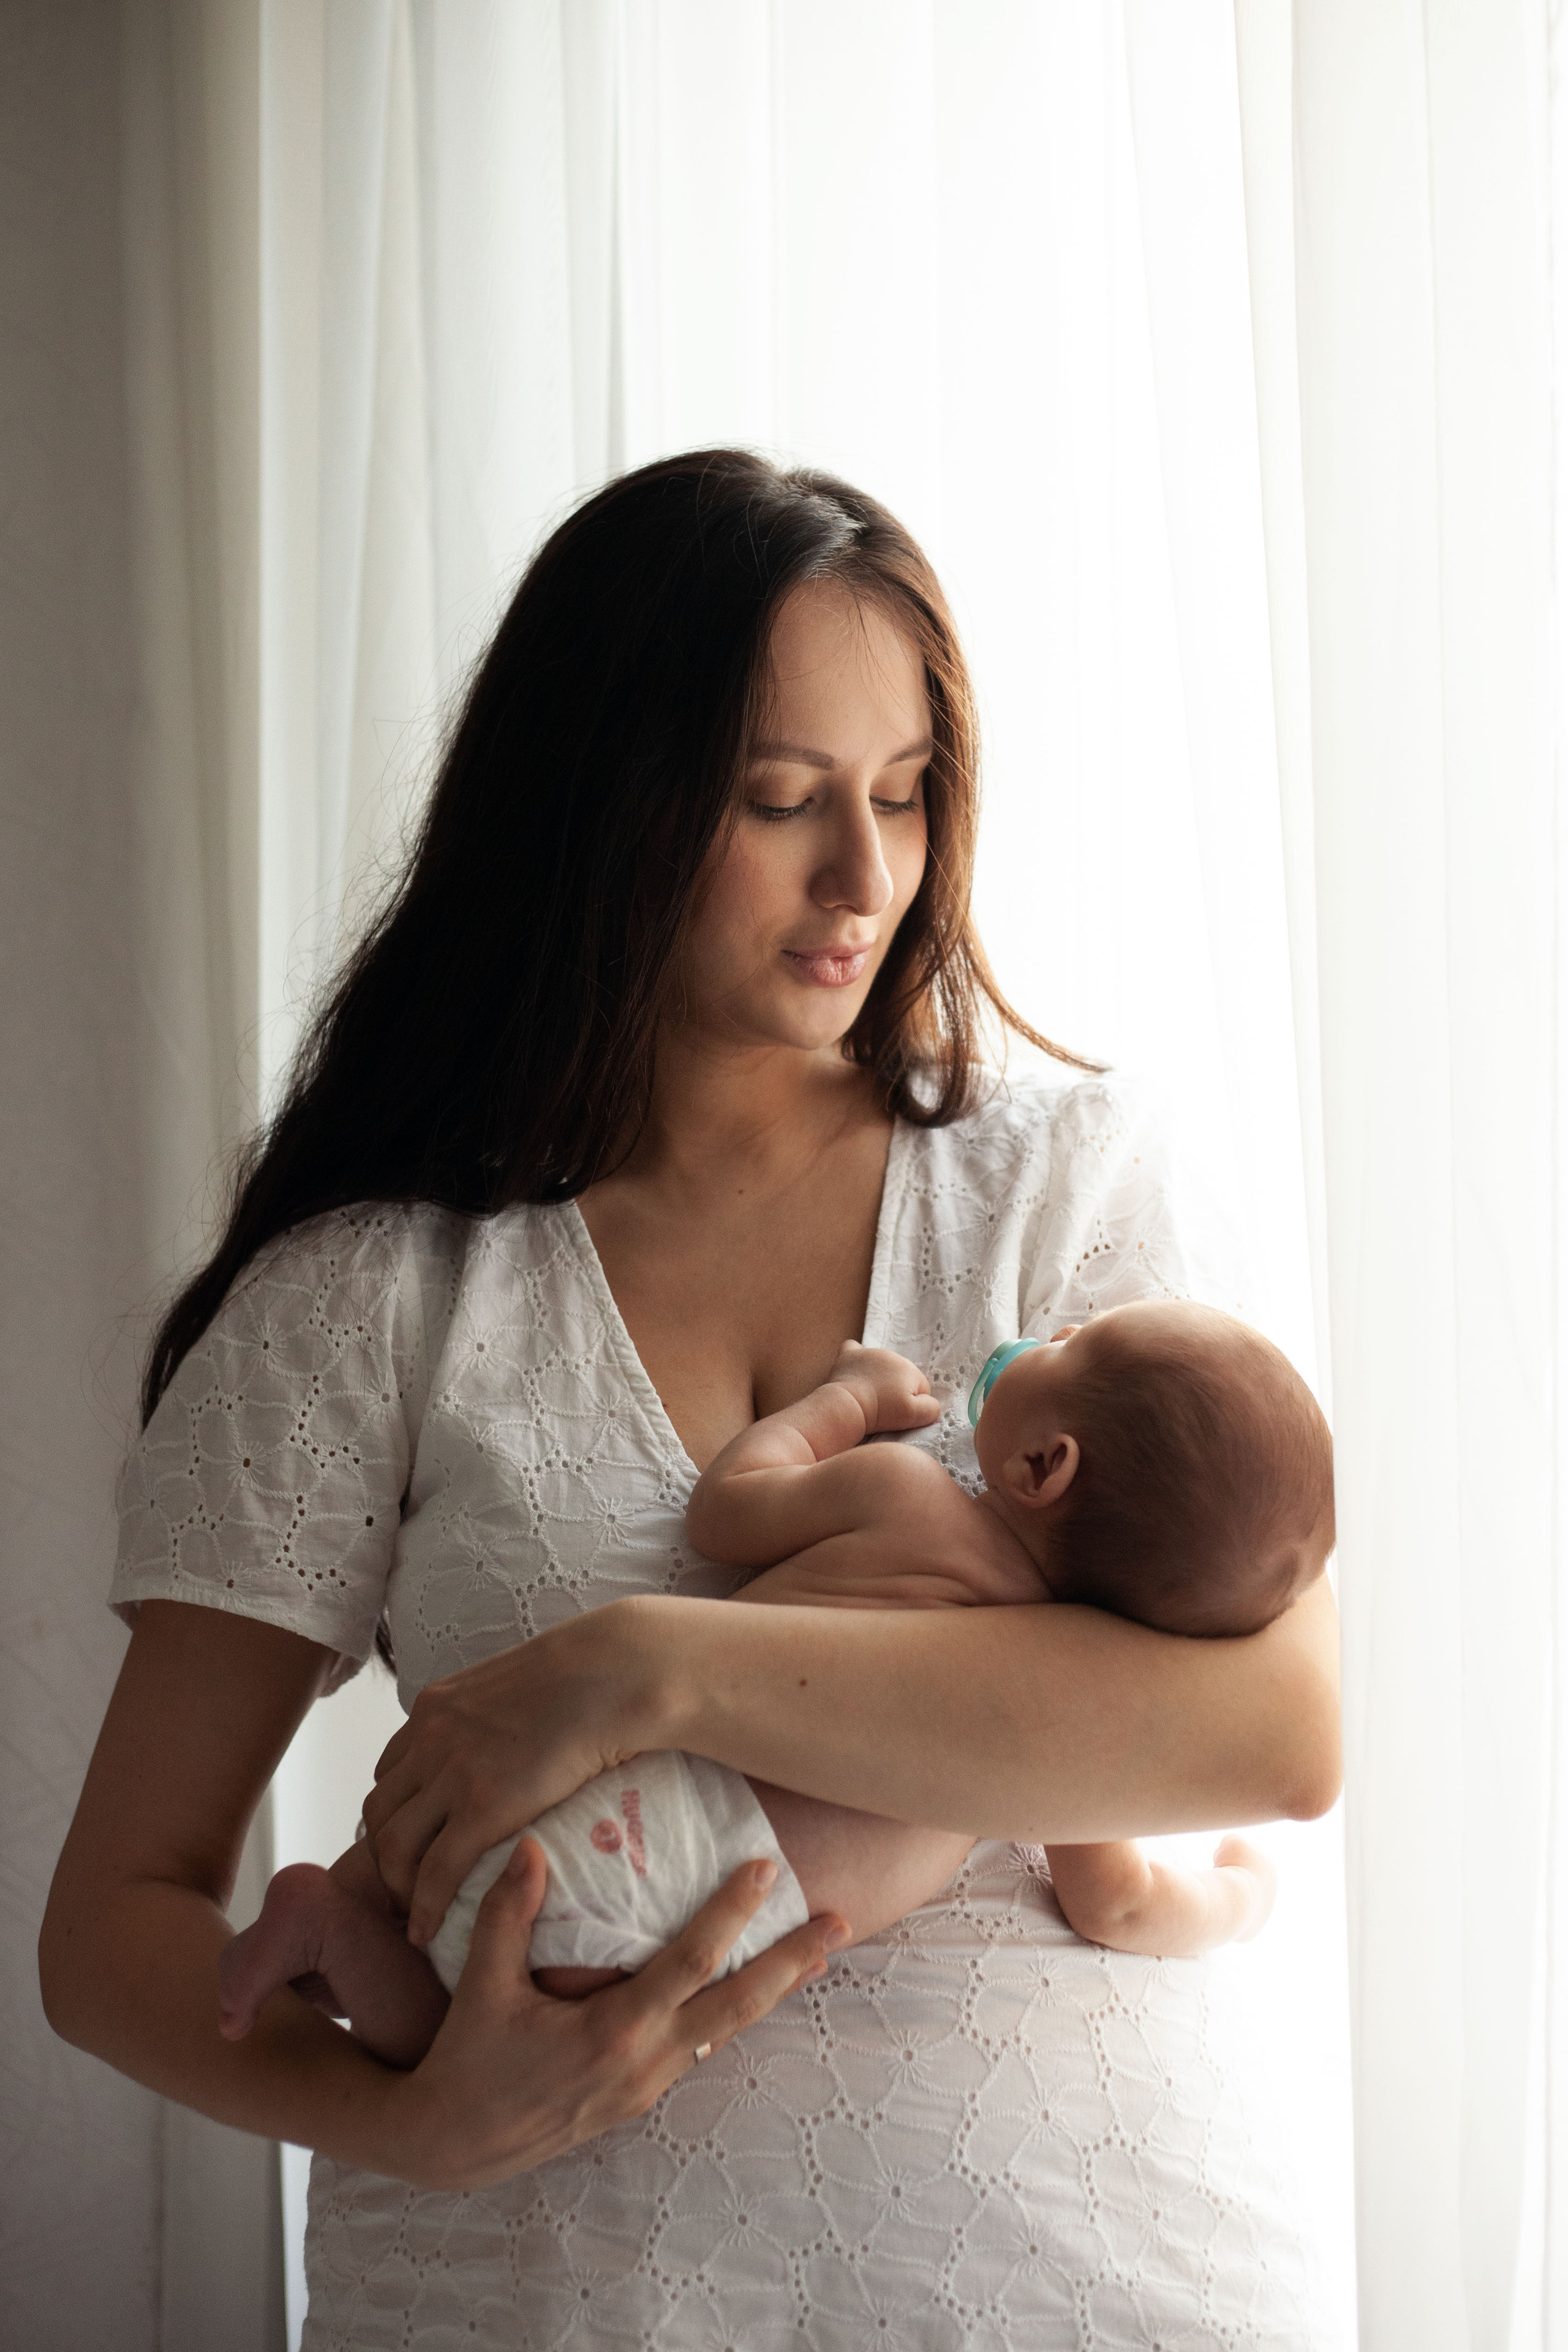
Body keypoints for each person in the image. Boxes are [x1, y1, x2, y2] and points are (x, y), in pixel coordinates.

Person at [40, 450, 1343, 2346]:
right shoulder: (376, 1294)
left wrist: (646, 1664)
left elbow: (1274, 1731)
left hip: (1103, 2277)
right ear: (601, 812)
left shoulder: (1072, 1191)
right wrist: (421, 2115)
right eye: (781, 800)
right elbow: (116, 1930)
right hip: (550, 2294)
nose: (868, 877)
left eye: (906, 796)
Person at [214, 1298, 1332, 2060]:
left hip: (611, 1797)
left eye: (1074, 1341)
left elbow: (730, 1505)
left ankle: (336, 1914)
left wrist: (843, 1405)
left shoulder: (910, 1501)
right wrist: (1238, 1904)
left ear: (1045, 1466)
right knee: (467, 2026)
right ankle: (334, 1936)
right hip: (687, 1892)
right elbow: (1119, 1903)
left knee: (453, 1955)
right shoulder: (1063, 1734)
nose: (1051, 1329)